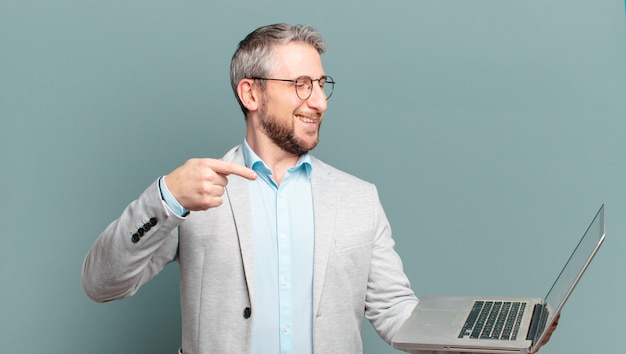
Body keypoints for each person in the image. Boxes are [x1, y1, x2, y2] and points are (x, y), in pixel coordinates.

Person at [82, 23, 555, 354]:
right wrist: (164, 198)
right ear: (252, 94)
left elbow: (394, 312)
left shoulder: (358, 198)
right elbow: (102, 284)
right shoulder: (197, 190)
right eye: (302, 85)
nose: (321, 101)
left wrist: (483, 341)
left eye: (323, 84)